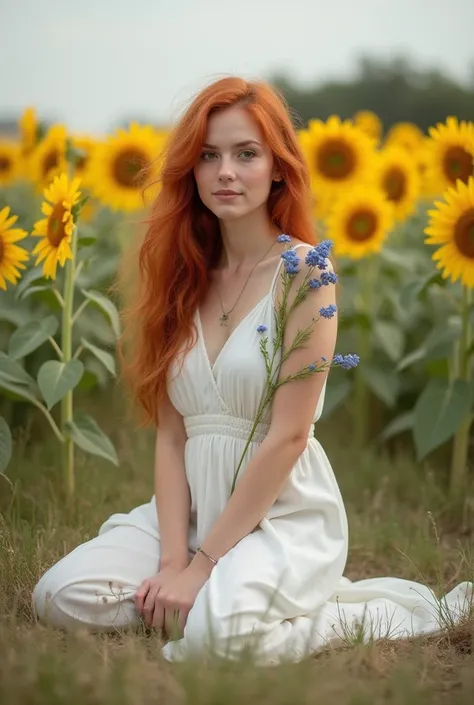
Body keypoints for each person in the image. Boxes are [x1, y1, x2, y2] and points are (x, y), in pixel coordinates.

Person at [32, 76, 472, 666]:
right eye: (208, 156)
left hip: (280, 517)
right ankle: (204, 603)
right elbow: (170, 434)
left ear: (278, 168)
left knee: (218, 643)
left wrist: (204, 566)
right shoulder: (179, 278)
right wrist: (172, 563)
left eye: (246, 154)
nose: (225, 173)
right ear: (190, 170)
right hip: (189, 515)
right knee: (58, 595)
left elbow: (290, 436)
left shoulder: (305, 275)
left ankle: (349, 617)